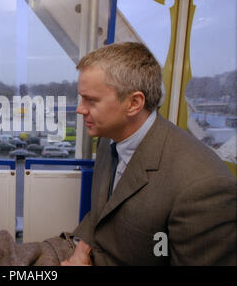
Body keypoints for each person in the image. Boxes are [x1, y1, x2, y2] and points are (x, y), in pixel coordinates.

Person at [62, 42, 236, 265]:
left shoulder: (204, 187)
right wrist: (80, 249)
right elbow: (100, 213)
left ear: (134, 103)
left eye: (91, 100)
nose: (80, 109)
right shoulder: (109, 137)